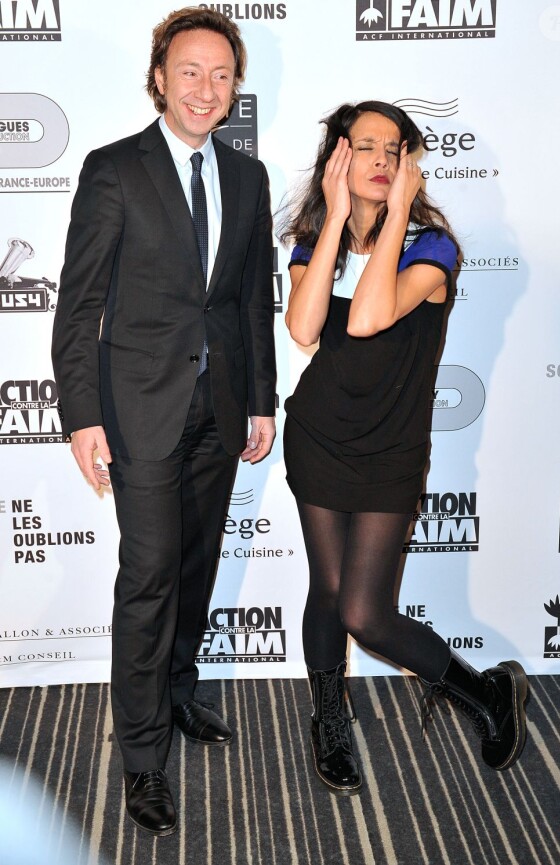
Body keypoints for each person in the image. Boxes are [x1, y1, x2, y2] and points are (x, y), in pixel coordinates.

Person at [52, 7, 276, 836]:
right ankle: (142, 757)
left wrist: (261, 398)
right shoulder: (113, 171)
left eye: (221, 75)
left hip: (221, 411)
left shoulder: (248, 180)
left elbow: (253, 301)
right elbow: (77, 310)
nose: (206, 89)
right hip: (139, 412)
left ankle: (179, 692)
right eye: (190, 71)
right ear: (159, 78)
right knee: (148, 578)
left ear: (233, 90)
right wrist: (82, 416)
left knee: (194, 564)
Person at [281, 101, 527, 796]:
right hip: (319, 437)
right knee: (327, 594)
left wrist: (392, 221)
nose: (383, 159)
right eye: (366, 146)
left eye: (395, 148)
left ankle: (486, 691)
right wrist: (333, 219)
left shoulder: (432, 248)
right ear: (339, 159)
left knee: (366, 612)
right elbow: (303, 329)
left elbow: (364, 318)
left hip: (390, 452)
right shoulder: (313, 240)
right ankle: (329, 719)